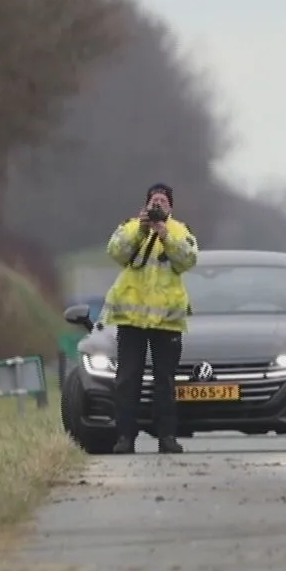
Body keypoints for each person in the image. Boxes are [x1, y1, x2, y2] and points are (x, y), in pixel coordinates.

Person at [102, 183, 199, 455]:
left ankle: (167, 437)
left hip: (167, 321)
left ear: (171, 206)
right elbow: (115, 252)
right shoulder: (131, 227)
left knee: (165, 381)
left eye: (163, 202)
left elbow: (188, 260)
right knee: (127, 379)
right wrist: (142, 230)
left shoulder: (181, 232)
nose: (158, 206)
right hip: (131, 319)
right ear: (145, 205)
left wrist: (164, 234)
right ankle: (125, 438)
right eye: (154, 201)